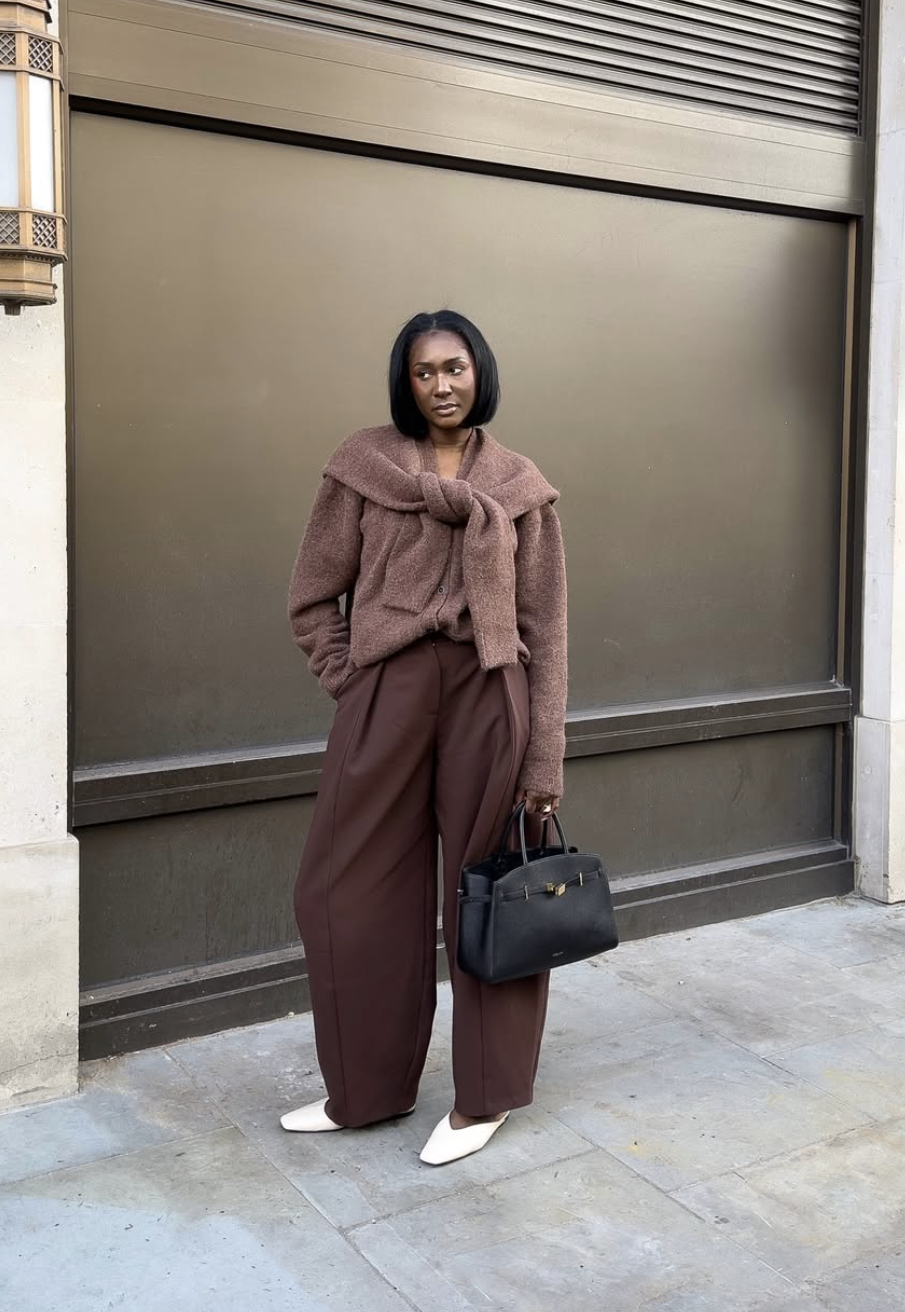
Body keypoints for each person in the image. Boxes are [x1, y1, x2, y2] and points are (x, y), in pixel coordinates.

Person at [282, 309, 568, 1165]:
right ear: (404, 383)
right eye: (424, 372)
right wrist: (351, 679)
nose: (442, 385)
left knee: (488, 893)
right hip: (387, 693)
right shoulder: (361, 466)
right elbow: (312, 594)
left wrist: (544, 755)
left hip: (489, 690)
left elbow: (547, 630)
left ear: (480, 372)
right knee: (344, 889)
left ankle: (486, 1096)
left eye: (455, 368)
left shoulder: (520, 486)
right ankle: (365, 1089)